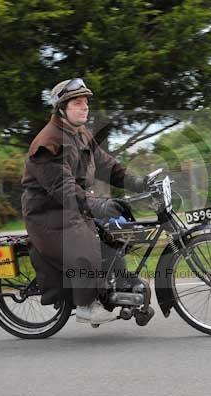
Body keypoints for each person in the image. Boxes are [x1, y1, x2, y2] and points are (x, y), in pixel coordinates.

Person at [20, 78, 146, 325]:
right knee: (85, 249)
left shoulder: (81, 133)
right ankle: (87, 305)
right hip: (48, 213)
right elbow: (61, 187)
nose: (84, 107)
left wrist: (139, 182)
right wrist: (96, 205)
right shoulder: (49, 143)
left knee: (115, 239)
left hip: (74, 207)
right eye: (77, 103)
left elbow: (107, 165)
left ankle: (119, 293)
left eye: (86, 102)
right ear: (62, 108)